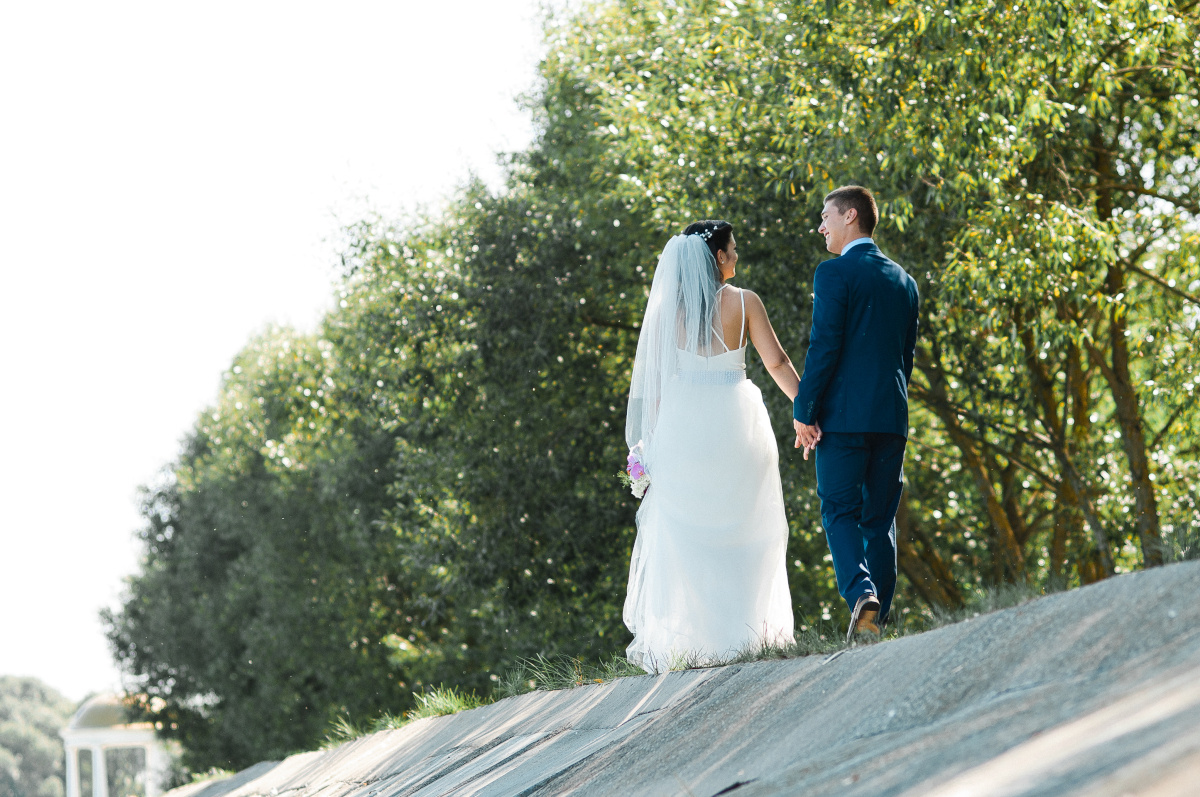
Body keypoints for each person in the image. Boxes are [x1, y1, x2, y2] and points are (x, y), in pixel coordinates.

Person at [623, 220, 800, 673]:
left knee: (689, 533)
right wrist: (808, 407)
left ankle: (697, 643)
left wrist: (650, 448)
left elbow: (657, 389)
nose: (737, 257)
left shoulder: (667, 312)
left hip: (684, 424)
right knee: (748, 529)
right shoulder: (745, 303)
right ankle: (748, 634)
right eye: (733, 250)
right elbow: (776, 362)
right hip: (735, 422)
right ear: (717, 257)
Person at [793, 186, 920, 644]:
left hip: (843, 420)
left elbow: (824, 346)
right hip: (891, 418)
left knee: (839, 511)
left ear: (851, 216)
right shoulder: (905, 281)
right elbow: (905, 360)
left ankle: (861, 594)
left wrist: (804, 410)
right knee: (879, 520)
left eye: (825, 217)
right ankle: (876, 623)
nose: (821, 227)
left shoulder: (833, 274)